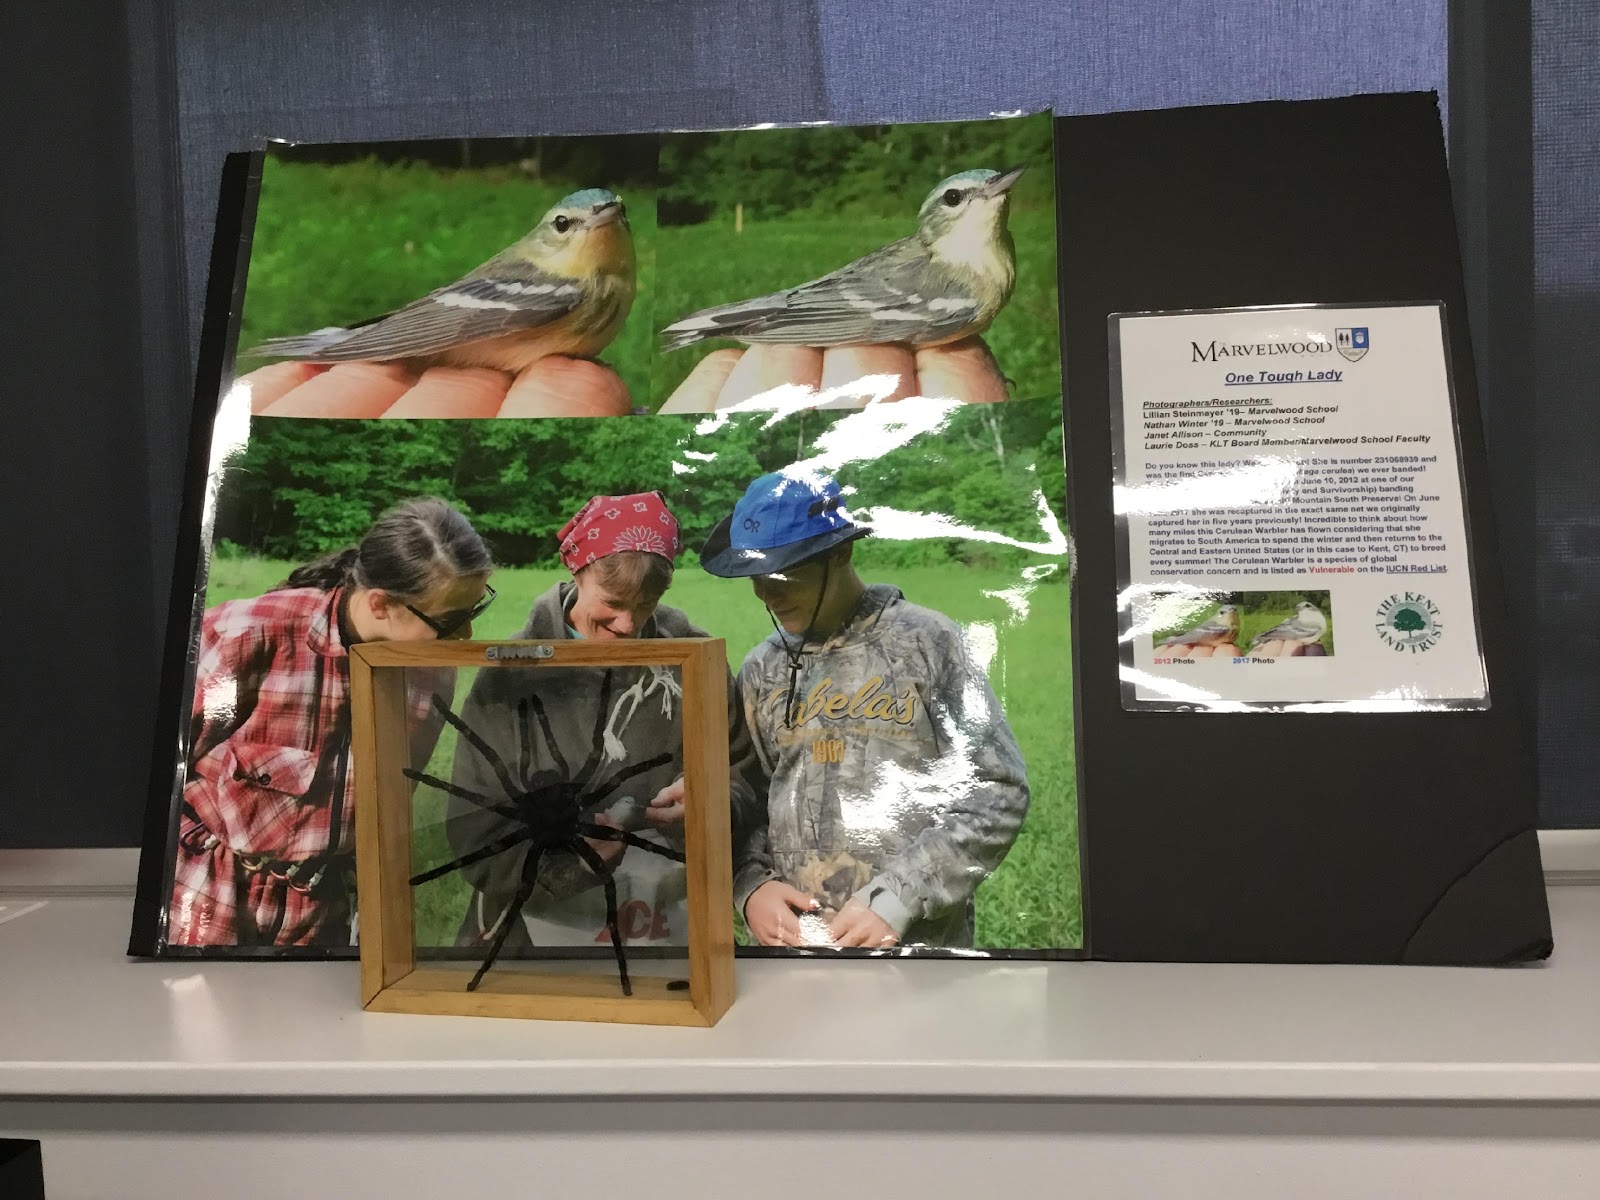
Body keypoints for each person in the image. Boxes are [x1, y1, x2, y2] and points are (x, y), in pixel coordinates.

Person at [700, 470, 1030, 949]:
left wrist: (899, 898)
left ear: (840, 553)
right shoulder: (762, 669)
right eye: (754, 576)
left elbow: (996, 790)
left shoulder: (928, 643)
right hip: (795, 952)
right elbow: (747, 797)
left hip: (916, 952)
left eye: (783, 574)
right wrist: (751, 887)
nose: (765, 593)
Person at [168, 497, 496, 948]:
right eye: (451, 620)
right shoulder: (246, 636)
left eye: (474, 612)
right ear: (380, 603)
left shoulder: (429, 674)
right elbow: (164, 764)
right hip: (210, 899)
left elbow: (391, 801)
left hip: (322, 912)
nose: (466, 636)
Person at [445, 491, 759, 952]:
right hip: (526, 937)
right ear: (578, 571)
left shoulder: (694, 659)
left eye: (646, 604)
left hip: (667, 933)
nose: (628, 624)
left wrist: (710, 801)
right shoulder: (511, 675)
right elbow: (474, 825)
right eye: (612, 602)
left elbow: (741, 774)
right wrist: (567, 865)